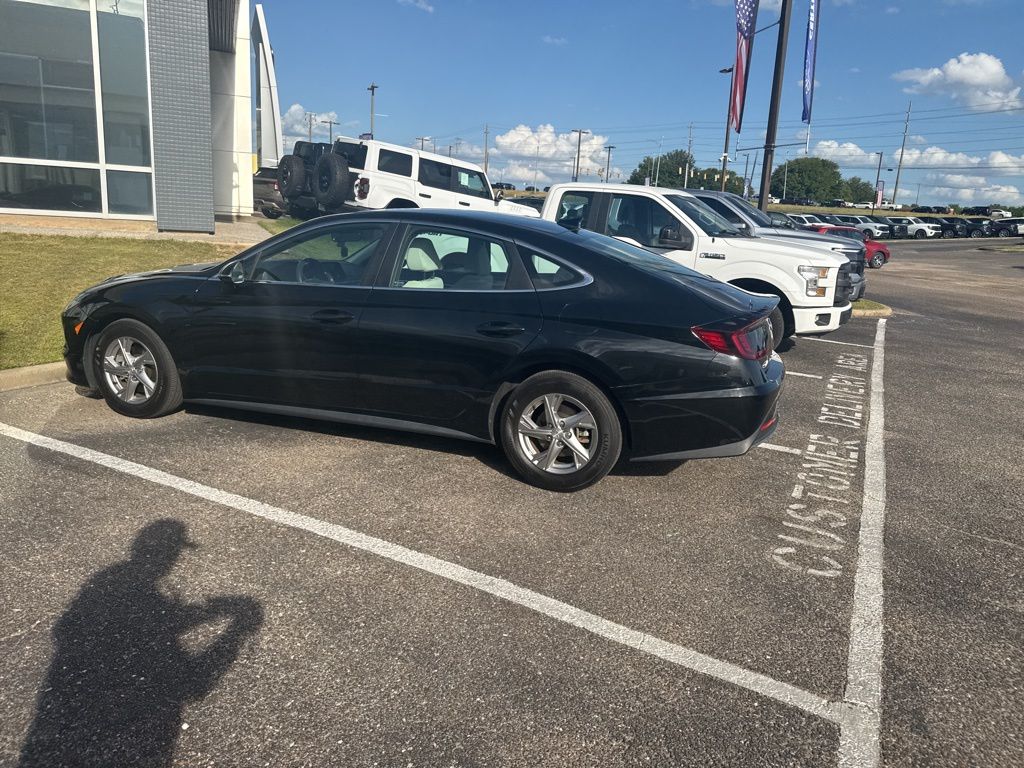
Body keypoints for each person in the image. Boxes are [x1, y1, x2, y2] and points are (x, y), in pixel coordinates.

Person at [18, 519, 262, 767]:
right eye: (174, 552)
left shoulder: (109, 583)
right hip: (126, 739)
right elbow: (193, 682)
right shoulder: (141, 610)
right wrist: (236, 631)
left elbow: (159, 616)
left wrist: (213, 610)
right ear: (169, 556)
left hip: (62, 731)